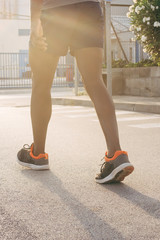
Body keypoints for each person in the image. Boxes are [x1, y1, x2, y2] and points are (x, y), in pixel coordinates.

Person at [17, 0, 134, 183]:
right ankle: (116, 154)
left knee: (41, 83)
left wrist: (34, 24)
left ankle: (38, 154)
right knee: (94, 81)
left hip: (55, 11)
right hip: (89, 8)